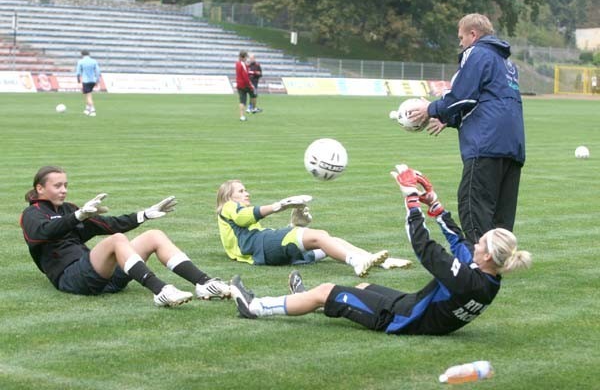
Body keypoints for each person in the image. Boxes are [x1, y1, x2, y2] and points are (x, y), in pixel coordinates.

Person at [230, 165, 531, 336]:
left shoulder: (466, 279)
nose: (475, 243)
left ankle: (255, 307)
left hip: (401, 320)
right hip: (413, 306)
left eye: (481, 243)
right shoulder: (488, 278)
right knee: (359, 286)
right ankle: (306, 300)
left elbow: (424, 247)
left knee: (326, 290)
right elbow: (459, 242)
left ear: (488, 255)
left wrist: (411, 201)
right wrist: (434, 203)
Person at [20, 166, 231, 307]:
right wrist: (77, 216)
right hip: (72, 279)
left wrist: (144, 214)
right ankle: (161, 291)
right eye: (58, 186)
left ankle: (204, 283)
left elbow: (106, 224)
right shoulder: (32, 214)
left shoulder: (69, 208)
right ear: (40, 188)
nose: (64, 190)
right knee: (117, 240)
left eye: (66, 185)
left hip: (100, 276)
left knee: (153, 236)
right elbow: (44, 232)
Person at [410, 13, 526, 245]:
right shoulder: (507, 63)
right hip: (513, 145)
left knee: (473, 204)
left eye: (461, 37)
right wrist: (450, 119)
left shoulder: (477, 52)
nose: (460, 43)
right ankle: (500, 259)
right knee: (501, 212)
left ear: (473, 34)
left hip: (485, 144)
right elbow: (486, 101)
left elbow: (462, 95)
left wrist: (430, 109)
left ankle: (478, 261)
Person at [216, 179, 390, 277]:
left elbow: (252, 230)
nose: (247, 193)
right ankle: (357, 262)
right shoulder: (227, 206)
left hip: (263, 248)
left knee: (330, 241)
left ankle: (373, 259)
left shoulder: (234, 217)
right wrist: (279, 205)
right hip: (261, 245)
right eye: (241, 191)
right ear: (228, 197)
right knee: (319, 237)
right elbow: (243, 217)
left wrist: (293, 226)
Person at [76, 50, 101, 117]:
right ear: (89, 54)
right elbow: (98, 71)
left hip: (86, 81)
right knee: (86, 94)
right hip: (93, 80)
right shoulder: (94, 61)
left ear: (82, 54)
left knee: (88, 96)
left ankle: (93, 110)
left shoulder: (80, 61)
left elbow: (78, 72)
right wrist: (97, 80)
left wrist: (78, 81)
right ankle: (87, 109)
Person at [235, 50, 255, 122]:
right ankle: (253, 108)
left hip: (239, 84)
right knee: (253, 94)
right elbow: (245, 76)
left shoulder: (237, 63)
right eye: (246, 57)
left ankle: (242, 116)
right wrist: (250, 85)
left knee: (242, 101)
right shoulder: (243, 64)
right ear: (244, 57)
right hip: (244, 84)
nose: (247, 58)